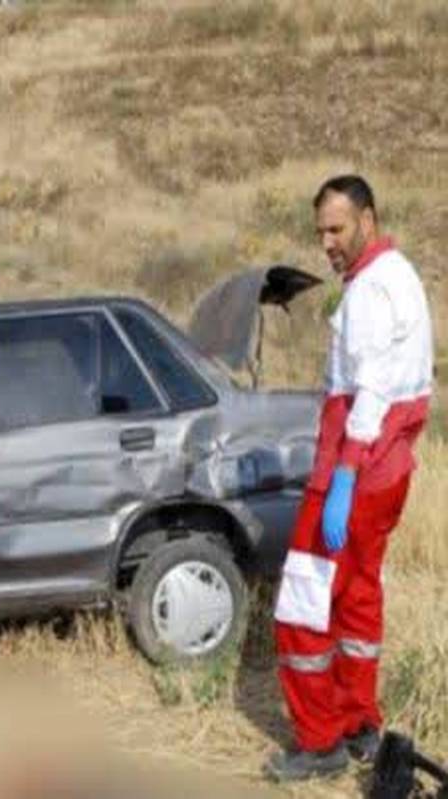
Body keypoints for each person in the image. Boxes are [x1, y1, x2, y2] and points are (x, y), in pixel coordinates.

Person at [267, 175, 434, 782]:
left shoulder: (368, 292)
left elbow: (372, 391)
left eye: (337, 229)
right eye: (320, 233)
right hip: (388, 472)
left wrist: (342, 476)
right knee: (358, 597)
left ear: (368, 218)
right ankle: (360, 724)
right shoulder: (402, 276)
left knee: (303, 606)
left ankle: (320, 743)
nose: (327, 244)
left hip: (356, 470)